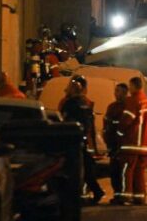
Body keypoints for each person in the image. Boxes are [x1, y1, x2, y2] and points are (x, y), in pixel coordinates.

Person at [60, 76, 105, 204]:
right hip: (83, 141)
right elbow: (89, 124)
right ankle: (95, 192)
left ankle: (83, 194)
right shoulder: (85, 103)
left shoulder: (69, 104)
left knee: (77, 170)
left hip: (73, 142)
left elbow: (64, 120)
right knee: (87, 170)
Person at [117, 76, 147, 205]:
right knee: (139, 172)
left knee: (127, 171)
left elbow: (127, 120)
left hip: (132, 143)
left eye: (130, 86)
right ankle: (139, 197)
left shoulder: (133, 101)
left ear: (133, 86)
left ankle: (126, 196)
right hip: (144, 145)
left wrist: (119, 133)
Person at [103, 83, 129, 205]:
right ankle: (117, 194)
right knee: (114, 171)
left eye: (118, 91)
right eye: (115, 91)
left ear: (124, 93)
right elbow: (106, 125)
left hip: (123, 145)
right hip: (113, 144)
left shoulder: (127, 107)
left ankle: (123, 195)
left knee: (122, 171)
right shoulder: (111, 107)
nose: (115, 93)